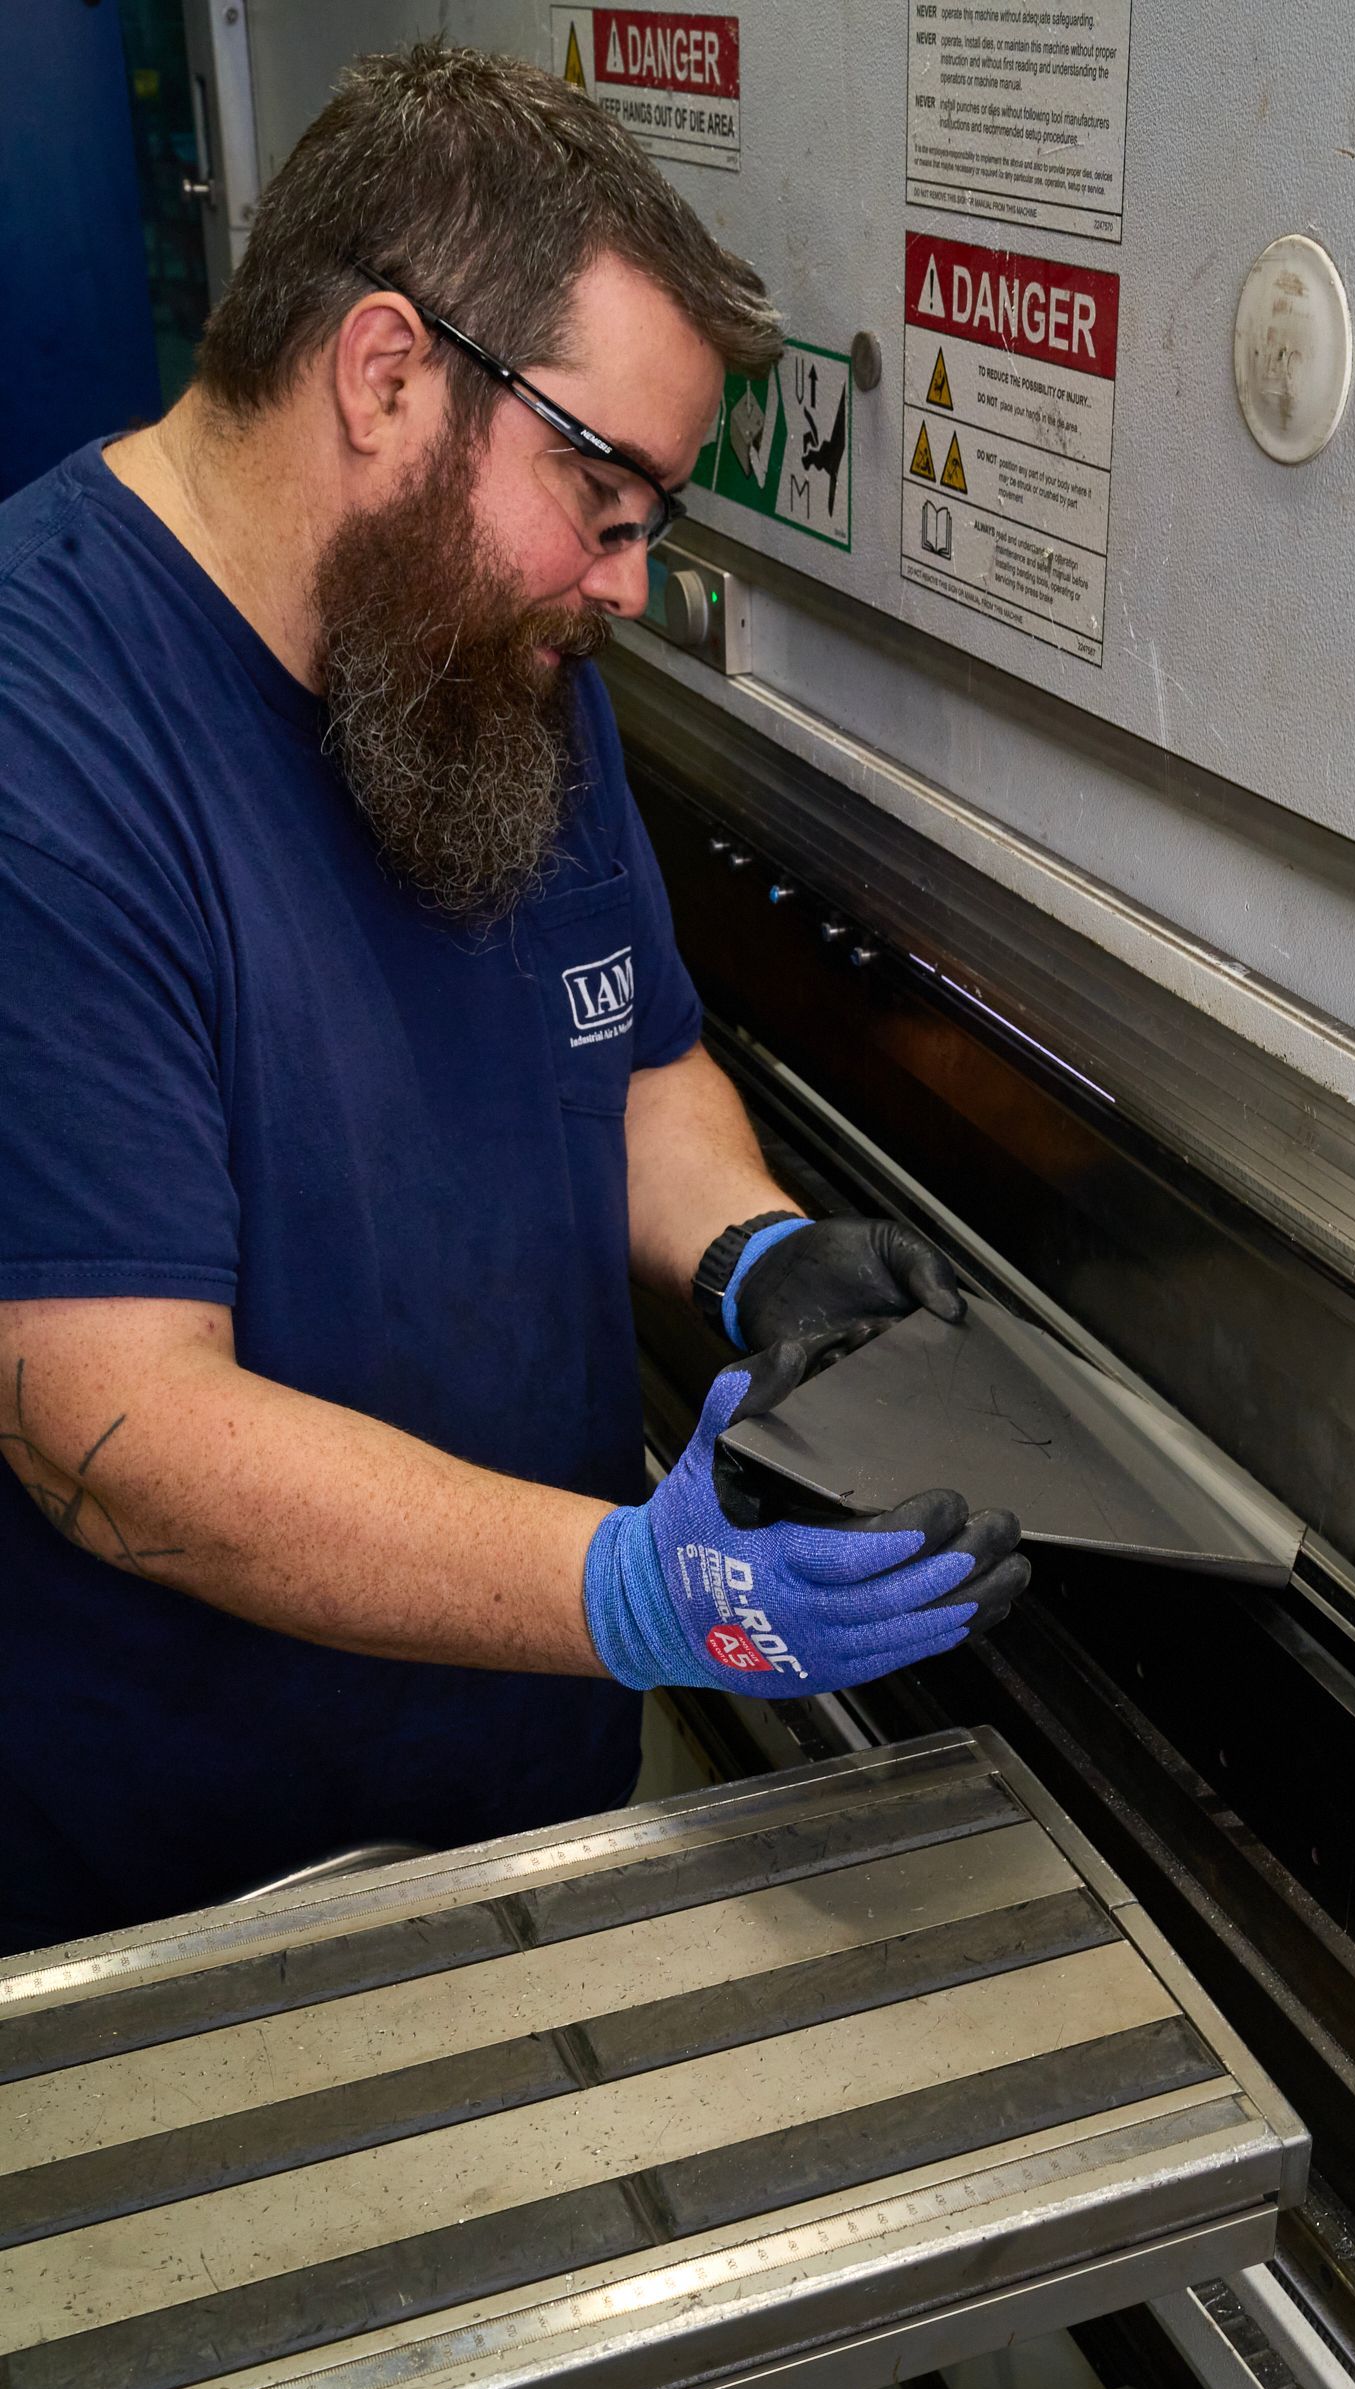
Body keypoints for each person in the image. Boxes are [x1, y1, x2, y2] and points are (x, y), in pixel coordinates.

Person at [0, 40, 1029, 1966]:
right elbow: (113, 1433)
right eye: (603, 489)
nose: (627, 586)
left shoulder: (478, 659)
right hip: (184, 1913)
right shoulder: (49, 750)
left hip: (526, 1800)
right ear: (388, 372)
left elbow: (630, 1061)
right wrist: (640, 1594)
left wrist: (756, 1257)